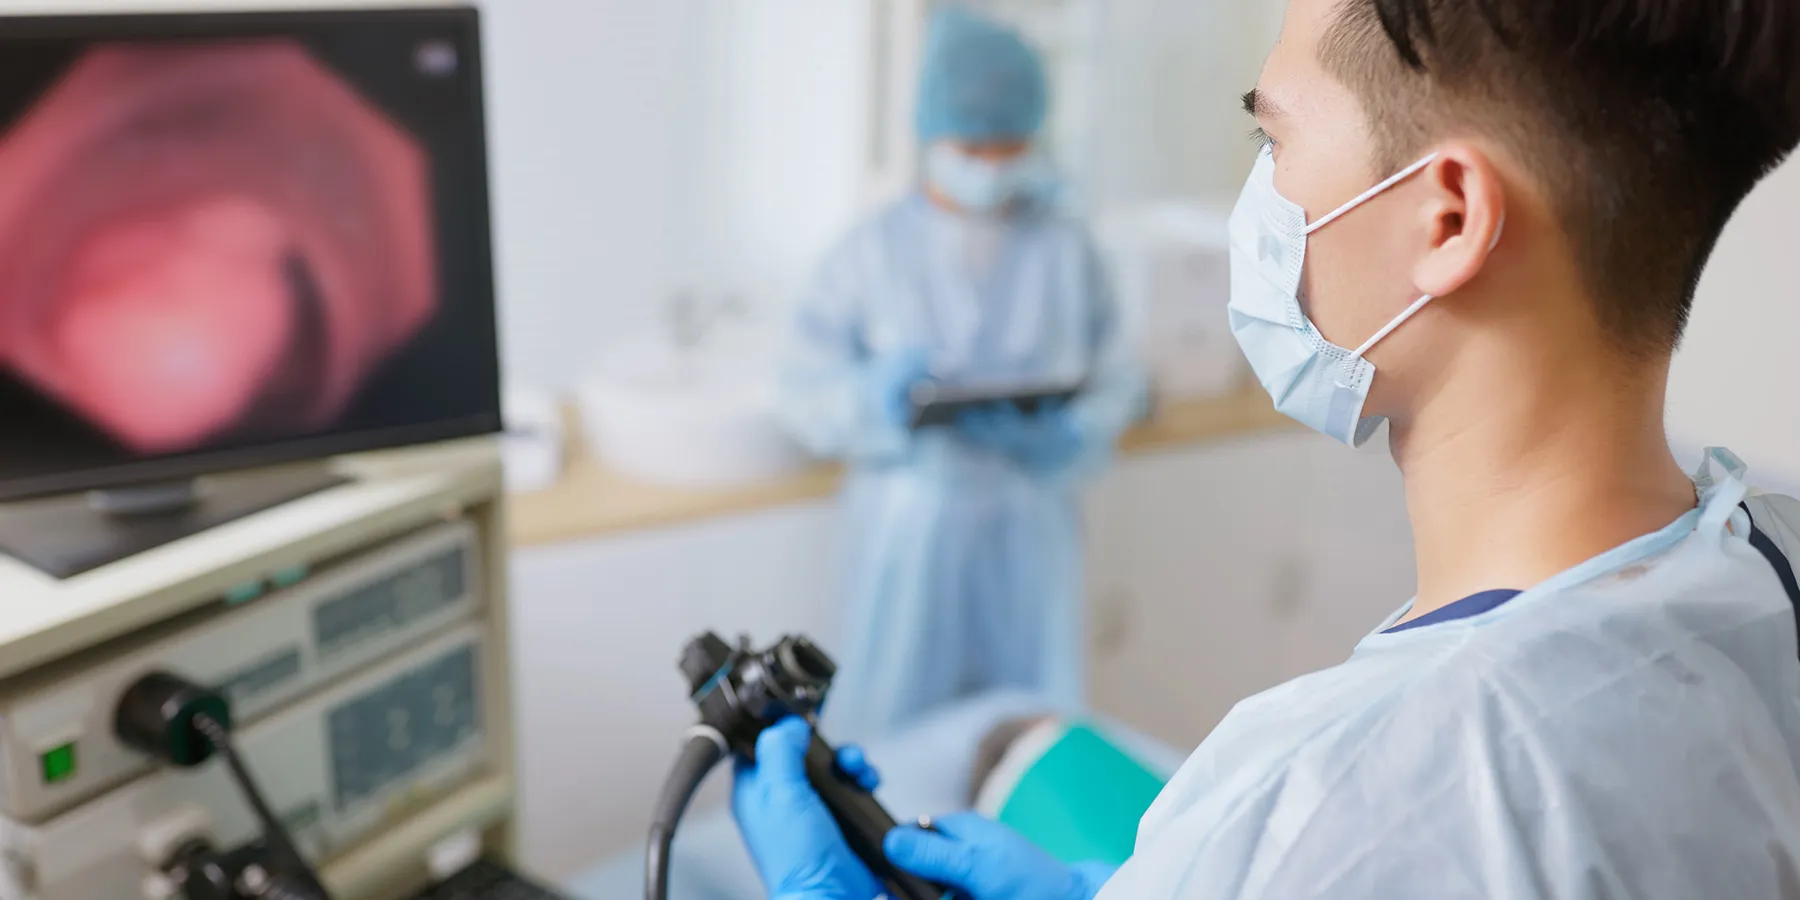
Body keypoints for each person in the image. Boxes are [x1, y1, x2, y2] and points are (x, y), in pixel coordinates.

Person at [735, 0, 1800, 896]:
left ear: (1446, 219)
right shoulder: (1770, 563)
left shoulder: (1324, 810)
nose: (1261, 200)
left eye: (1272, 141)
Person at [778, 6, 1145, 741]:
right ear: (932, 131)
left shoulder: (1067, 249)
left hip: (1030, 523)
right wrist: (877, 402)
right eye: (974, 143)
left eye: (1009, 142)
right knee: (891, 740)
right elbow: (802, 394)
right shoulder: (867, 252)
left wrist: (1073, 430)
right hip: (911, 532)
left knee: (1029, 737)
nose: (992, 161)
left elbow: (1118, 376)